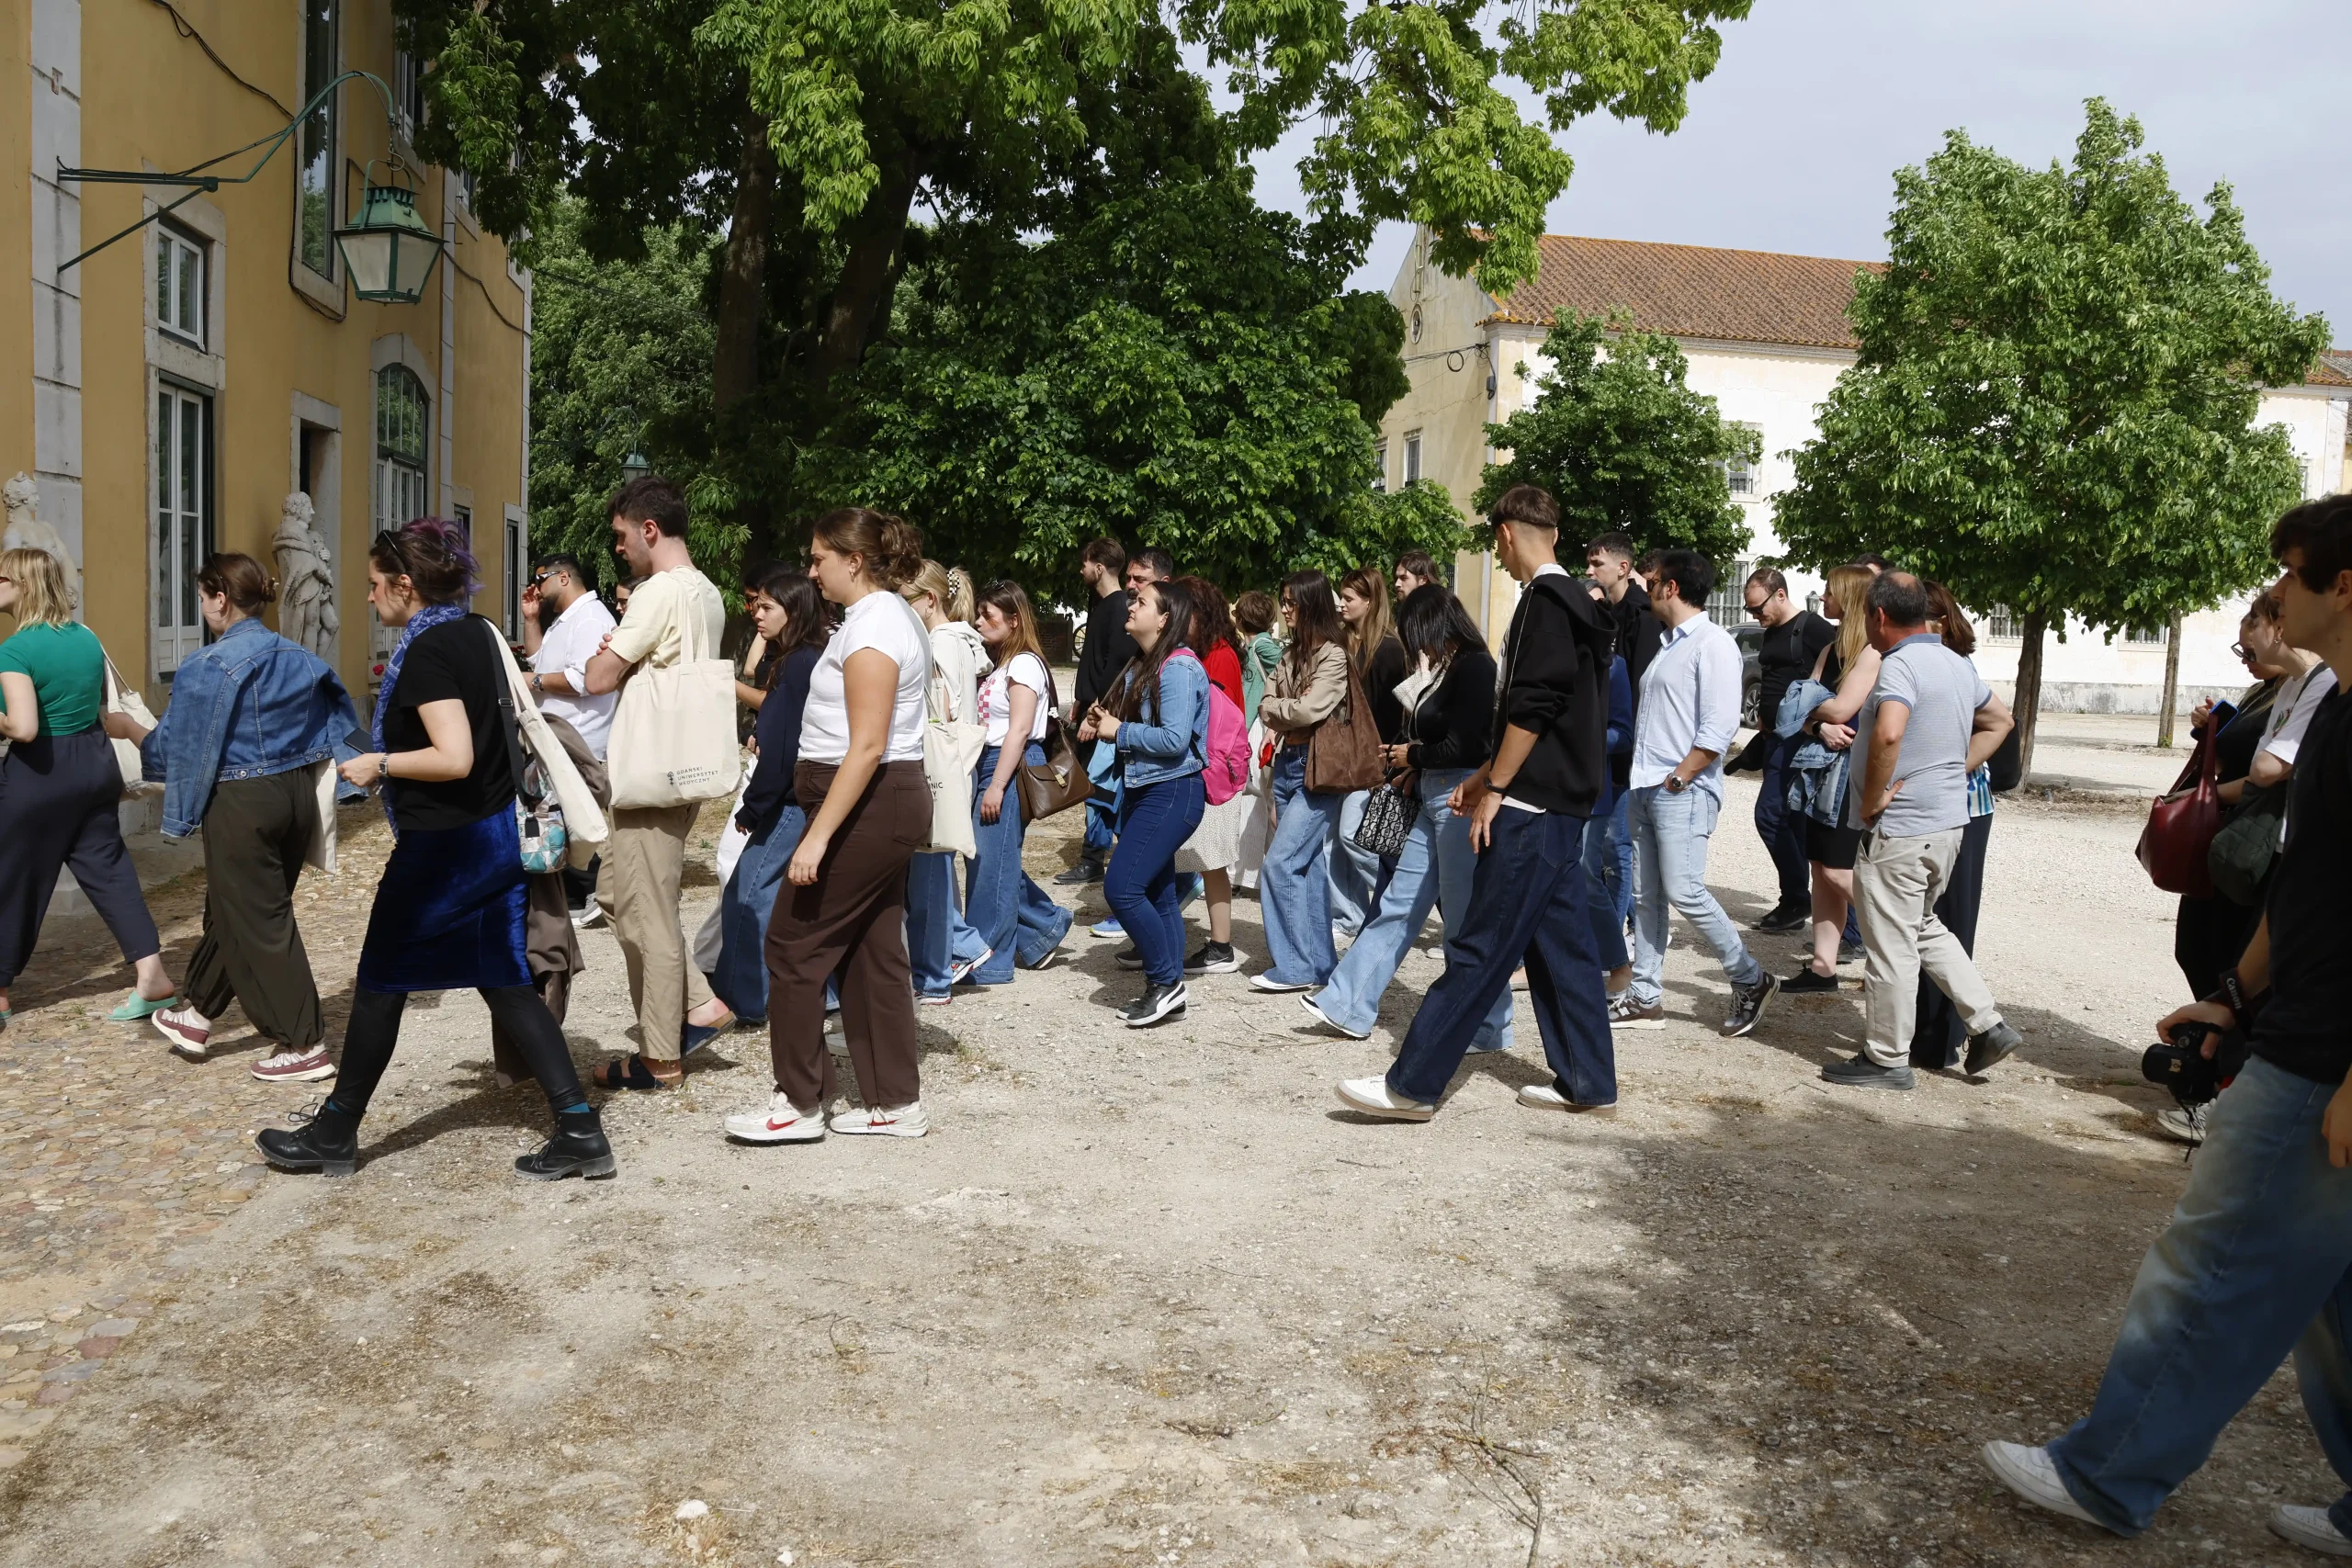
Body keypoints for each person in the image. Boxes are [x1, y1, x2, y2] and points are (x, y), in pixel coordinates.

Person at [1983, 495, 2352, 1555]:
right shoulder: (2334, 709)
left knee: (2214, 1262)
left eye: (2288, 573)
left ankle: (2106, 1475)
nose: (2271, 594)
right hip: (2298, 1030)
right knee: (2333, 1299)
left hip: (2325, 1065)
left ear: (2343, 586)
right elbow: (2304, 884)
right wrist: (2231, 993)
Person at [254, 519, 614, 1180]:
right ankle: (580, 1128)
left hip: (445, 852)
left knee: (380, 982)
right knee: (505, 982)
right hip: (490, 838)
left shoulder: (427, 653)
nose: (368, 596)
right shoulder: (478, 632)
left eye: (374, 584)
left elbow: (455, 756)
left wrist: (380, 763)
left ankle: (336, 1130)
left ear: (405, 583)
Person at [1335, 485, 1618, 1121]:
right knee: (1563, 950)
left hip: (1532, 806)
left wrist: (1496, 787)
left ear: (1505, 534)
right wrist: (1487, 774)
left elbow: (1533, 708)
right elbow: (1549, 713)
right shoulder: (1579, 602)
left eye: (1497, 542)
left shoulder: (1544, 602)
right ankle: (1588, 1081)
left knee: (1479, 946)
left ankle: (1412, 1086)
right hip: (1560, 803)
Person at [104, 553, 358, 1080]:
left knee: (262, 920)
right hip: (297, 795)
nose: (201, 608)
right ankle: (196, 1014)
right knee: (233, 909)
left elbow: (171, 749)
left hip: (243, 800)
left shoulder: (207, 665)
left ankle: (304, 1043)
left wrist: (129, 730)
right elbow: (342, 717)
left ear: (221, 598)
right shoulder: (300, 656)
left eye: (201, 598)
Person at [726, 507, 935, 1144]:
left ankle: (799, 1101)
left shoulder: (874, 627)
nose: (811, 572)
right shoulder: (875, 618)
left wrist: (815, 838)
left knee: (792, 946)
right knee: (873, 953)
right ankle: (893, 1101)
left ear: (854, 560)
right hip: (875, 802)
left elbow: (867, 745)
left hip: (868, 804)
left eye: (819, 559)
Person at [1816, 571, 2021, 1089]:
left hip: (1901, 829)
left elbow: (1888, 733)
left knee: (1890, 944)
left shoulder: (1899, 665)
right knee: (1922, 926)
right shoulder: (1955, 663)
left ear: (1880, 616)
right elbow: (2001, 721)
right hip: (1945, 826)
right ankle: (1988, 1024)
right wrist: (1953, 771)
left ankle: (1887, 1058)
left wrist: (1871, 800)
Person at [1304, 584, 1512, 1054]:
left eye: (1415, 632)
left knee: (1461, 919)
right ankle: (1347, 1003)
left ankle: (1489, 1024)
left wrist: (1412, 756)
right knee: (1399, 903)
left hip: (1460, 796)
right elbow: (1434, 733)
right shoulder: (1446, 668)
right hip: (1435, 794)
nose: (1414, 644)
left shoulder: (1475, 667)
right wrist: (1415, 761)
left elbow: (1470, 744)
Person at [579, 476, 736, 1089]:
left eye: (622, 535)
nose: (618, 548)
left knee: (648, 911)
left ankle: (662, 1053)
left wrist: (610, 655)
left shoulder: (655, 593)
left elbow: (597, 677)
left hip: (650, 772)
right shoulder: (707, 592)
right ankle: (698, 1001)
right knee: (619, 893)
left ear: (650, 529)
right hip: (682, 767)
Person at [0, 547, 179, 1034]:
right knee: (110, 871)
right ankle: (152, 977)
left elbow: (24, 728)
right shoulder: (85, 637)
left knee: (13, 877)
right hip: (94, 764)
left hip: (41, 773)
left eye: (2, 578)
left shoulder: (15, 650)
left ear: (23, 585)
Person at [1613, 549, 1777, 1036]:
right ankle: (1645, 996)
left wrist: (1680, 777)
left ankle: (1750, 977)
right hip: (1648, 786)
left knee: (1684, 889)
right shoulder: (1669, 643)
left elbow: (1719, 726)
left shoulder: (1713, 643)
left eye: (1651, 582)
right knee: (1646, 896)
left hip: (1679, 788)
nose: (1645, 589)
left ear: (1672, 587)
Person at [1080, 577, 1207, 1026]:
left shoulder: (1179, 666)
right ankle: (1170, 988)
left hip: (1172, 790)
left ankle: (1165, 983)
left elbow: (1174, 740)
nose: (1131, 606)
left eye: (1141, 601)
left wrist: (1120, 730)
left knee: (1122, 887)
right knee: (1157, 892)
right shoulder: (1145, 664)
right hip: (1146, 788)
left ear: (1165, 618)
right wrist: (1109, 720)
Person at [709, 565, 827, 1026]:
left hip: (789, 801)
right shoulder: (805, 656)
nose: (756, 614)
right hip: (802, 796)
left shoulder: (796, 664)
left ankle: (741, 1000)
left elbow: (782, 748)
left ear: (793, 611)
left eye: (767, 607)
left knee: (746, 894)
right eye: (756, 606)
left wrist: (754, 806)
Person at [2172, 604, 2290, 1005]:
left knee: (2229, 957)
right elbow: (2231, 756)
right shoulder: (2263, 692)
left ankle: (2222, 1034)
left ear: (2279, 634)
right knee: (2193, 947)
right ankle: (2212, 1029)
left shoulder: (2302, 695)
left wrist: (2204, 796)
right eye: (2241, 652)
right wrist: (2210, 729)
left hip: (2252, 836)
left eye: (2250, 652)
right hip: (2224, 830)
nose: (2245, 661)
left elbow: (2267, 777)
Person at [1907, 581, 2003, 1072]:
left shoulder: (1955, 667)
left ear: (1939, 622)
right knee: (1925, 921)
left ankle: (1943, 1039)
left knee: (1948, 923)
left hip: (1963, 807)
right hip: (1940, 808)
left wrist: (1948, 770)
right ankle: (1929, 1035)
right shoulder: (1925, 663)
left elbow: (1999, 723)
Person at [965, 581, 1077, 982]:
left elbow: (1020, 729)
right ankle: (1043, 927)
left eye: (987, 615)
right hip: (994, 763)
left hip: (1008, 765)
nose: (979, 622)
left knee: (990, 861)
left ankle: (991, 959)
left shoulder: (1024, 664)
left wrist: (997, 785)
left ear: (1013, 620)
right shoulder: (1002, 662)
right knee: (991, 860)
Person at [1250, 570, 1352, 993]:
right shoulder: (1291, 655)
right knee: (1308, 867)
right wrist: (1280, 709)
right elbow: (1267, 702)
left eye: (1292, 602)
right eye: (1284, 600)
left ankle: (1293, 967)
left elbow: (1309, 710)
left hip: (1318, 768)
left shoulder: (1334, 655)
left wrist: (1277, 709)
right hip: (1289, 762)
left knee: (1280, 863)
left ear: (1311, 604)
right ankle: (1321, 966)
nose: (1285, 609)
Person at [1782, 563, 1881, 993]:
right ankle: (1823, 968)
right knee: (1821, 871)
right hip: (1820, 772)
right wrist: (1817, 723)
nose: (1823, 598)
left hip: (1850, 775)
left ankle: (1907, 943)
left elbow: (1840, 709)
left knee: (1840, 872)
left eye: (1830, 591)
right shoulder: (1833, 647)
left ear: (1851, 597)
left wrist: (1812, 708)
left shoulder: (1872, 652)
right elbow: (1799, 712)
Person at [900, 560, 994, 1002]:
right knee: (933, 872)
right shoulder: (961, 640)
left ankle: (939, 971)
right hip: (956, 766)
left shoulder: (938, 644)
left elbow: (941, 709)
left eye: (906, 599)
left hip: (939, 768)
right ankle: (957, 952)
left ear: (929, 599)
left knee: (930, 876)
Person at [1732, 568, 1835, 932]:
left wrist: (1822, 723)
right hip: (1775, 739)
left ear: (1780, 595)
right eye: (1750, 609)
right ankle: (1796, 901)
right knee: (1791, 821)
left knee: (1771, 815)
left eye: (1758, 608)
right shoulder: (1773, 629)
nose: (1755, 615)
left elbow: (1841, 676)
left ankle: (1799, 899)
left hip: (1800, 740)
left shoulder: (1814, 628)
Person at [518, 551, 617, 928]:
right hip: (558, 734)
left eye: (540, 578)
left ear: (563, 578)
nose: (535, 586)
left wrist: (535, 682)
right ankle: (577, 894)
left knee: (572, 817)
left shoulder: (590, 618)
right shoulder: (567, 618)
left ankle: (592, 892)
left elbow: (582, 680)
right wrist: (531, 620)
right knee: (557, 814)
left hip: (579, 737)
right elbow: (540, 662)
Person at [1165, 577, 1248, 974]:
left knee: (1211, 861)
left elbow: (1219, 724)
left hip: (1213, 775)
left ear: (1199, 613)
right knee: (1199, 860)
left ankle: (1220, 946)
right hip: (1203, 769)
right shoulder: (1199, 652)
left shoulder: (1218, 655)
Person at [1583, 532, 1664, 931]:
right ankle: (1621, 926)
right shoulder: (1609, 612)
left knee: (1616, 846)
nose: (1589, 570)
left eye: (1597, 563)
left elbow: (1640, 693)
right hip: (1607, 745)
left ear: (1623, 567)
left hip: (1625, 748)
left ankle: (1615, 938)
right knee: (1603, 848)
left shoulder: (1643, 617)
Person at [1331, 567, 1410, 939]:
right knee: (1336, 841)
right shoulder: (1345, 644)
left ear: (1369, 601)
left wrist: (1387, 765)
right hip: (1346, 759)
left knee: (1352, 834)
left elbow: (1396, 715)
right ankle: (1352, 916)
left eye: (1349, 598)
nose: (1341, 604)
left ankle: (1402, 897)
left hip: (1376, 761)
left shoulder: (1390, 650)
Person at [1061, 538, 1136, 886]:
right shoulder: (1102, 605)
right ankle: (1096, 857)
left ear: (1099, 567)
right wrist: (1080, 699)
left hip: (1101, 717)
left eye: (1085, 563)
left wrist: (1097, 714)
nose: (1081, 570)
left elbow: (1117, 669)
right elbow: (1093, 662)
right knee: (1093, 788)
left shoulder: (1119, 607)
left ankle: (1095, 859)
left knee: (1100, 789)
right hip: (1090, 709)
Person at [1234, 591, 1283, 720]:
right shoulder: (1250, 646)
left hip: (1259, 722)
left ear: (1241, 619)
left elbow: (1288, 663)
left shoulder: (1261, 645)